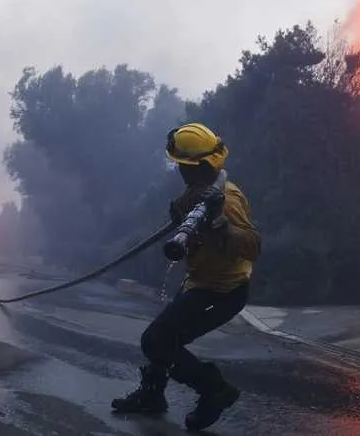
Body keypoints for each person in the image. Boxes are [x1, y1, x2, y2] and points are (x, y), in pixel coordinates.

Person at [112, 123, 262, 432]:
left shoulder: (227, 200)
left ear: (198, 167)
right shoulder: (199, 191)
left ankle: (215, 390)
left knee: (156, 341)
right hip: (199, 282)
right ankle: (152, 394)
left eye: (182, 165)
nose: (179, 170)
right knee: (167, 336)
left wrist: (225, 229)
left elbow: (254, 246)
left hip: (222, 292)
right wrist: (181, 214)